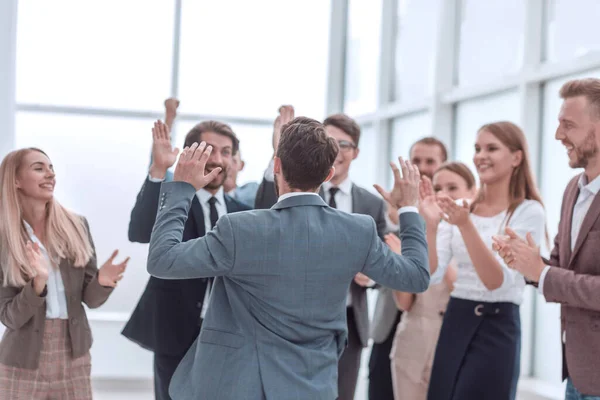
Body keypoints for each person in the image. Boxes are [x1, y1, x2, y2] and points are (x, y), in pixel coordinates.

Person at [146, 117, 430, 400]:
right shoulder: (359, 230)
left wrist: (182, 188)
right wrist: (408, 209)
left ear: (277, 166)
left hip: (238, 386)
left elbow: (162, 260)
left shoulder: (239, 228)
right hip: (313, 387)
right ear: (328, 174)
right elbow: (416, 276)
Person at [121, 120, 250, 400]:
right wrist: (159, 170)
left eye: (226, 152)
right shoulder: (173, 200)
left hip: (227, 330)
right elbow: (139, 231)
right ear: (191, 154)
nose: (217, 158)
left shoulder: (244, 213)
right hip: (174, 327)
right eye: (209, 149)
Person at [422, 121, 546, 400]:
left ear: (516, 157)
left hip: (497, 326)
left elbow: (496, 282)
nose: (481, 155)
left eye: (492, 148)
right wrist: (431, 225)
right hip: (456, 319)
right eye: (477, 148)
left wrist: (466, 226)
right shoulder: (461, 210)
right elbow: (431, 274)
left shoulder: (528, 212)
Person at [493, 78, 600, 399]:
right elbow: (558, 267)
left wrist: (542, 272)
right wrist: (527, 262)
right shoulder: (573, 190)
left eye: (569, 125)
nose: (558, 135)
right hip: (577, 373)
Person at [0, 148, 128, 400]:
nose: (50, 174)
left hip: (74, 356)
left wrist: (102, 281)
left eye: (51, 168)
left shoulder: (76, 225)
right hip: (21, 360)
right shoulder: (4, 238)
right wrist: (38, 283)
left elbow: (90, 300)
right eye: (39, 168)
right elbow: (10, 318)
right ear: (15, 180)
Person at [388, 162, 476, 400]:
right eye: (438, 188)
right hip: (413, 341)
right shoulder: (419, 234)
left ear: (472, 192)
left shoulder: (476, 237)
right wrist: (400, 265)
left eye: (452, 187)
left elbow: (460, 287)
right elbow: (404, 303)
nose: (443, 194)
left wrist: (438, 237)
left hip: (454, 340)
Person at [369, 136, 448, 400]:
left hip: (430, 328)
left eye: (430, 161)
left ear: (442, 164)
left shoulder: (449, 212)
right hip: (390, 319)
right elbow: (380, 252)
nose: (423, 167)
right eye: (417, 160)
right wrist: (399, 208)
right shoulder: (387, 206)